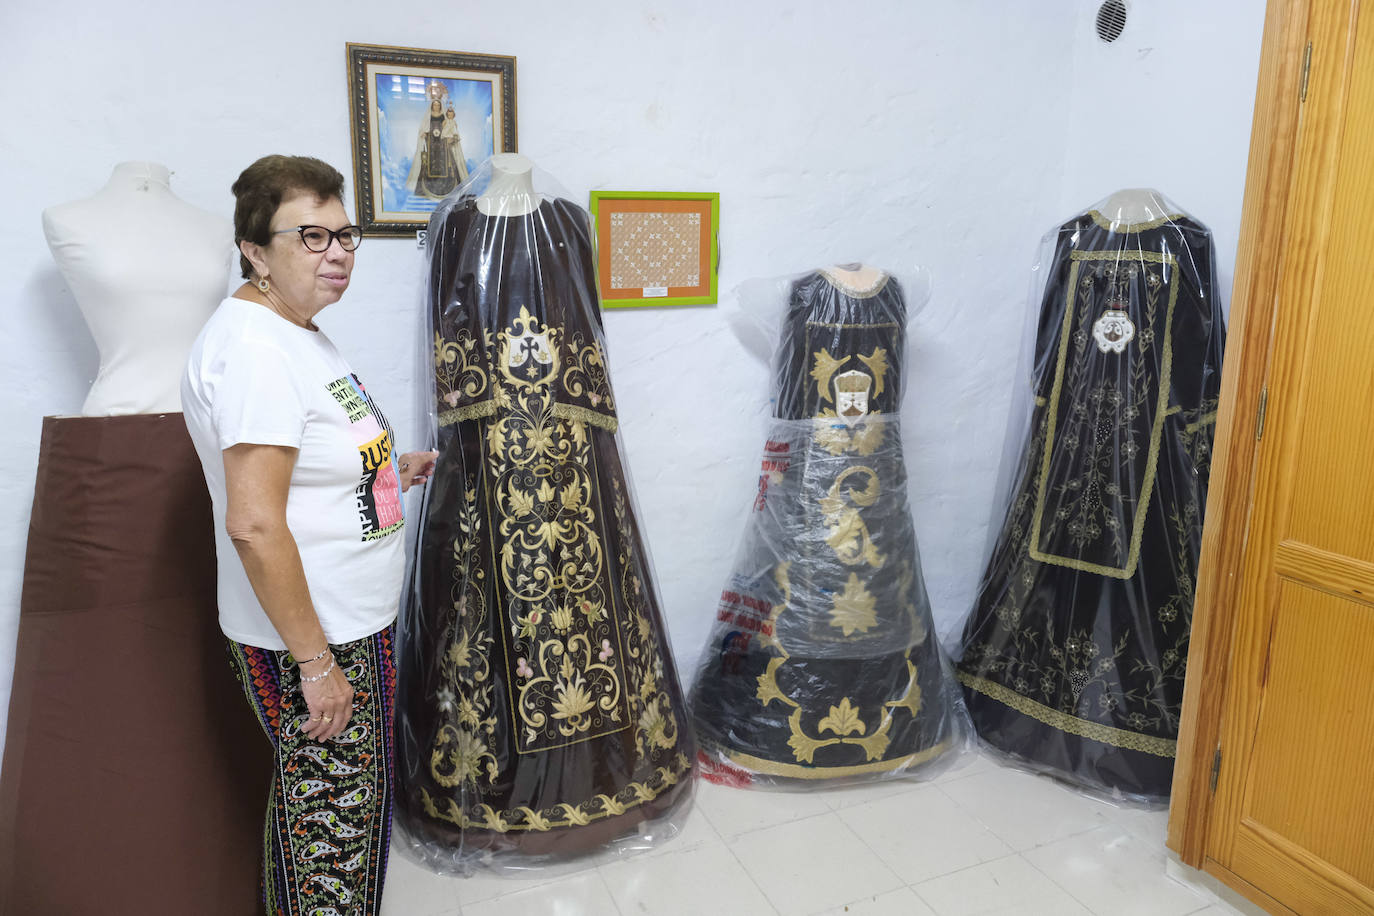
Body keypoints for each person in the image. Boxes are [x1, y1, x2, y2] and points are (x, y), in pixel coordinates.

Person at [181, 154, 436, 913]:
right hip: (318, 636)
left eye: (345, 234)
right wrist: (317, 663)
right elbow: (255, 524)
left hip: (348, 620)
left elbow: (310, 465)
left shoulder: (297, 333)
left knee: (330, 821)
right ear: (255, 251)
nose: (337, 254)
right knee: (331, 836)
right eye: (311, 237)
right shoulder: (258, 350)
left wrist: (388, 468)